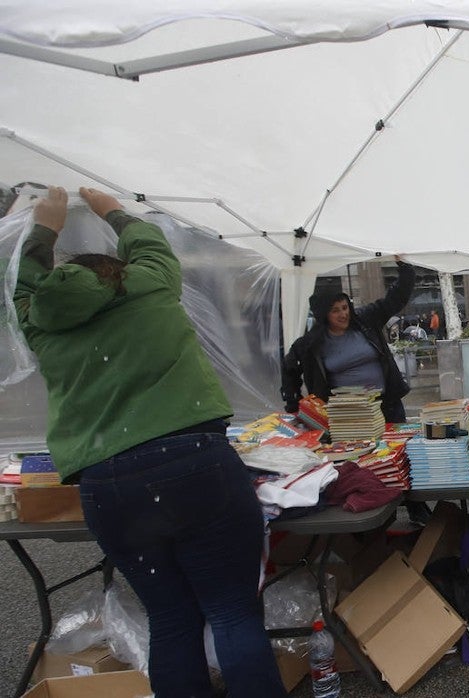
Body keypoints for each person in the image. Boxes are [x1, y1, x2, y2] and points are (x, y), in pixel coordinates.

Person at [15, 187, 285, 697]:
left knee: (171, 619)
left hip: (109, 484)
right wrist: (111, 209)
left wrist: (44, 228)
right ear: (118, 272)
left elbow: (21, 283)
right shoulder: (148, 286)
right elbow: (151, 246)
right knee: (231, 612)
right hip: (194, 462)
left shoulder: (39, 319)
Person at [282, 256, 416, 423]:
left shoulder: (366, 319)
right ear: (324, 315)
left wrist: (404, 267)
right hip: (346, 414)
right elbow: (289, 368)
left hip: (387, 406)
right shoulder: (311, 343)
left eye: (345, 308)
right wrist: (294, 405)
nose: (343, 314)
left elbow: (395, 298)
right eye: (335, 311)